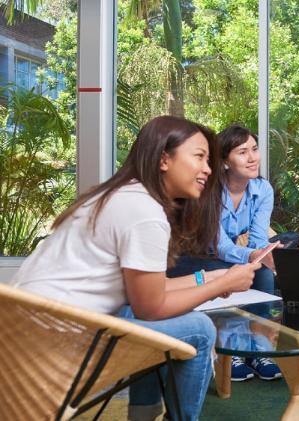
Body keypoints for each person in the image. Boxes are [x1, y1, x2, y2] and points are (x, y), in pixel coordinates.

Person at [9, 115, 260, 421]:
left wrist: (210, 277)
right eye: (199, 157)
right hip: (61, 341)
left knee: (167, 324)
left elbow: (143, 293)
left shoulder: (121, 195)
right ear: (164, 159)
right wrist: (222, 286)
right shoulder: (144, 212)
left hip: (25, 335)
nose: (208, 169)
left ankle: (142, 415)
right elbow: (151, 309)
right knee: (200, 329)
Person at [167, 124, 281, 382]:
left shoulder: (262, 190)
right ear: (225, 161)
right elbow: (218, 245)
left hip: (224, 254)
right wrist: (252, 256)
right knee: (235, 271)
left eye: (254, 149)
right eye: (242, 152)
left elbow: (259, 239)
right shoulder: (208, 191)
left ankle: (260, 351)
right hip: (194, 256)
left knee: (262, 274)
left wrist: (262, 254)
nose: (252, 158)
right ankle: (235, 352)